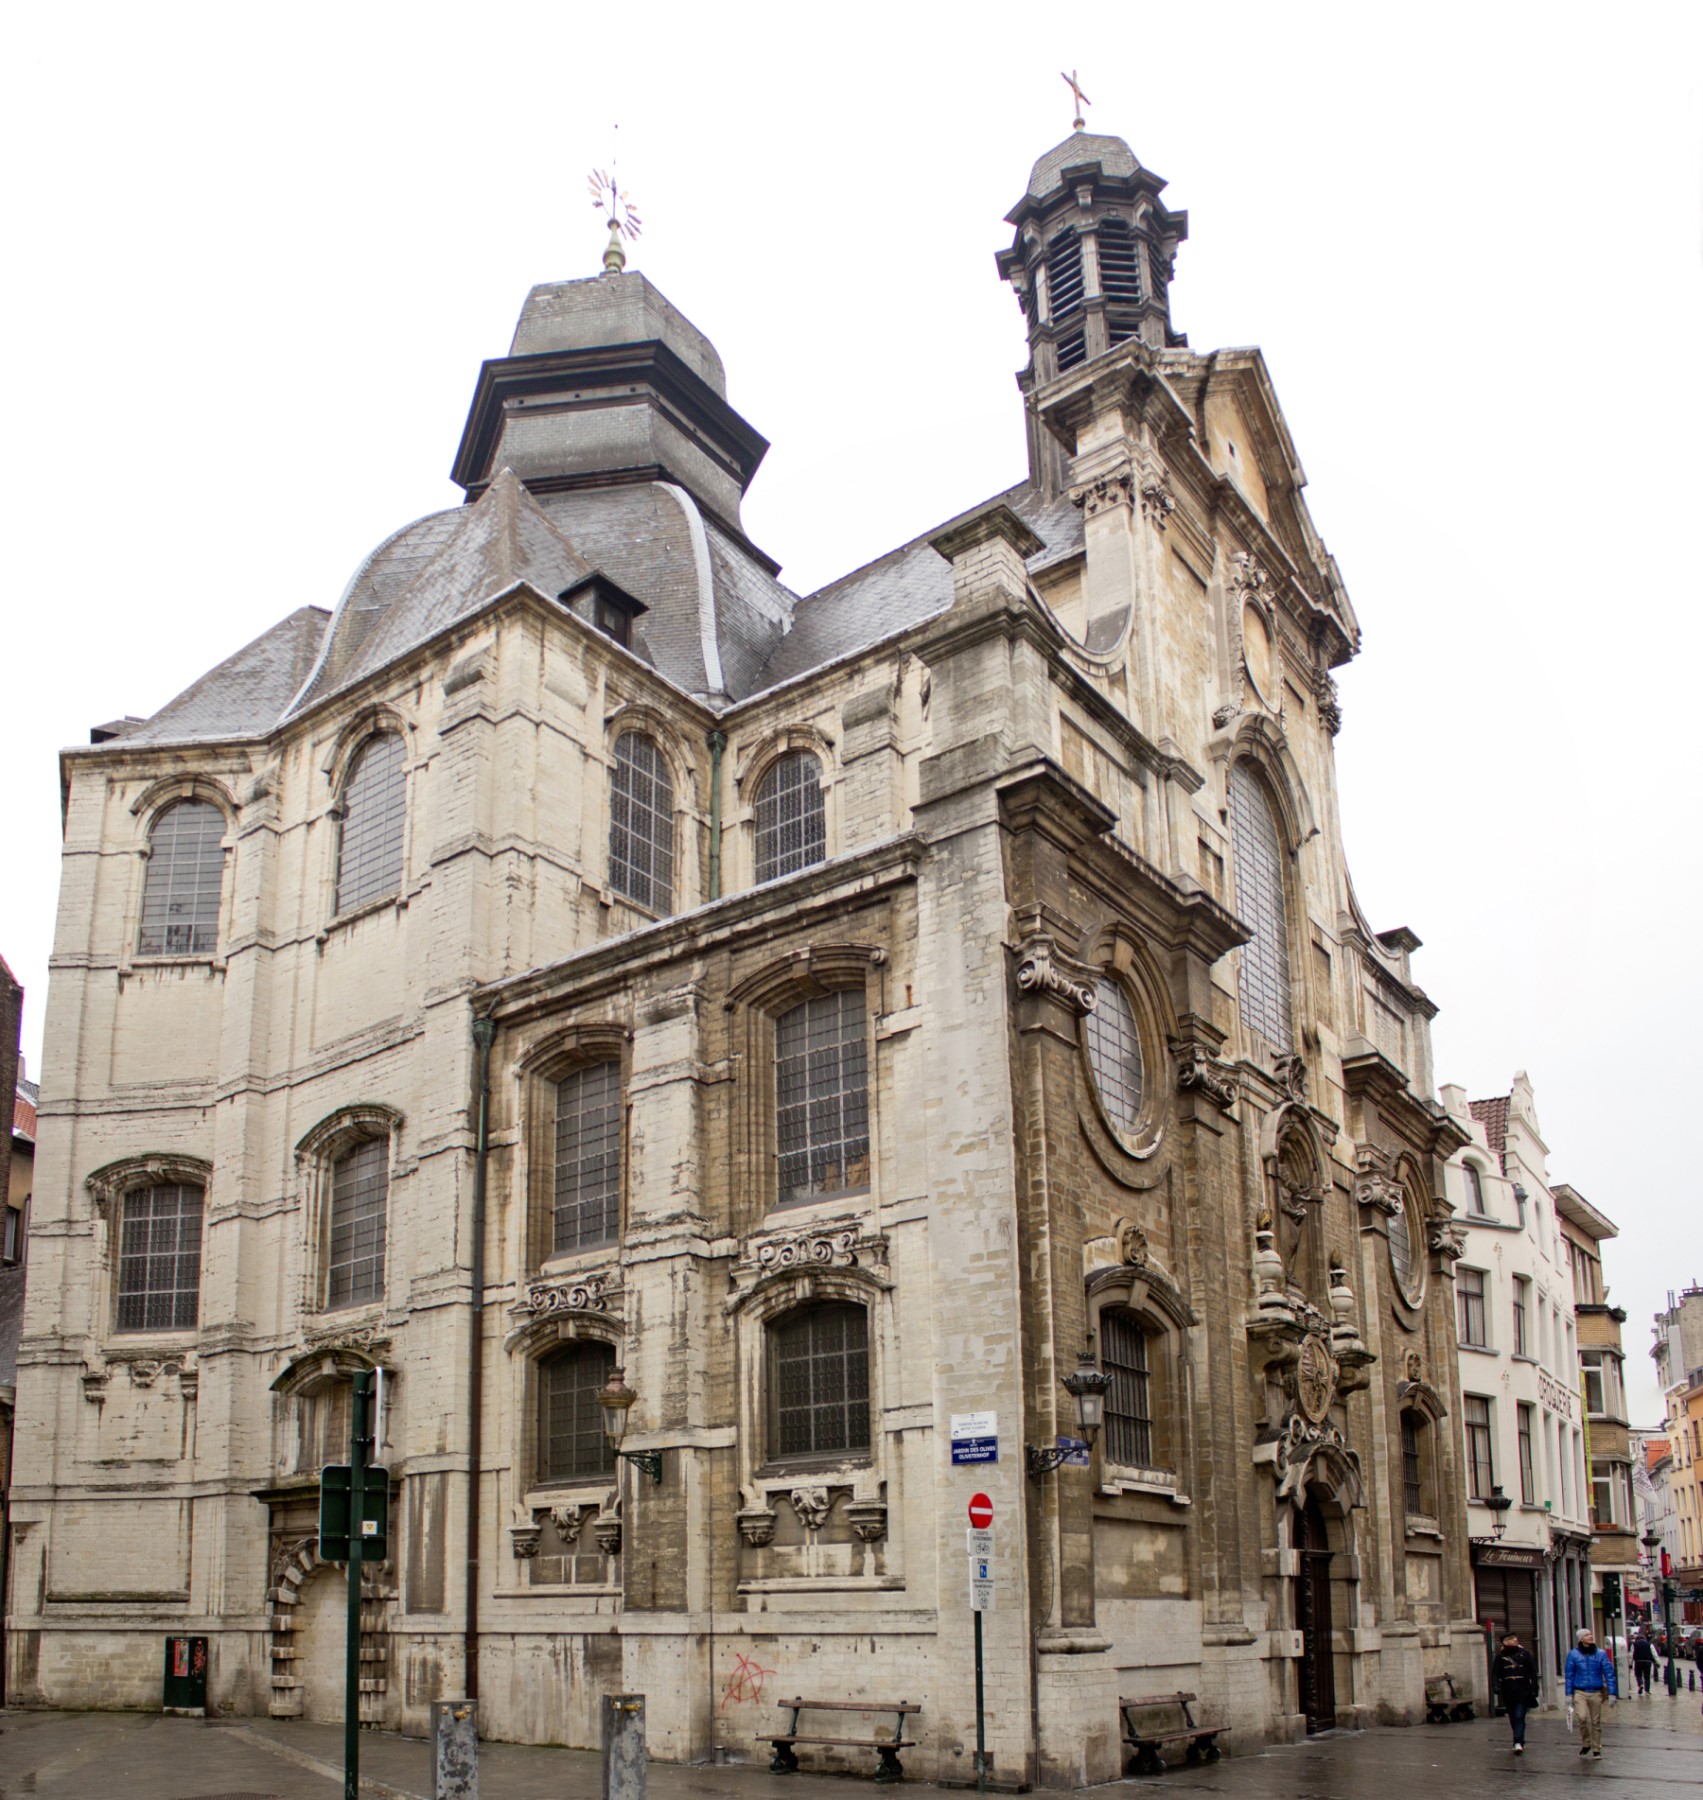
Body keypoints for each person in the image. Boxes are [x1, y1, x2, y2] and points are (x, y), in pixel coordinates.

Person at [1565, 1627, 1618, 1759]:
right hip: (1580, 1691)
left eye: (1590, 1634)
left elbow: (1609, 1674)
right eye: (1587, 1635)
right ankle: (1586, 1743)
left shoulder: (1601, 1654)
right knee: (1582, 1717)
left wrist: (1612, 1693)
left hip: (1595, 1691)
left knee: (1596, 1721)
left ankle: (1596, 1748)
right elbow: (1569, 1675)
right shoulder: (1573, 1654)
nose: (1590, 1636)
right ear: (1581, 1639)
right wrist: (1568, 1694)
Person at [1491, 1631, 1540, 1752]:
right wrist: (1496, 1685)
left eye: (1515, 1638)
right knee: (1513, 1717)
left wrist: (1534, 1689)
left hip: (1523, 1690)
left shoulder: (1525, 1654)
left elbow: (1533, 1672)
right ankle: (1519, 1740)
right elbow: (1495, 1673)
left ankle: (1518, 1742)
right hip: (1508, 1690)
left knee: (1519, 1716)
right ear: (1505, 1642)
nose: (1515, 1640)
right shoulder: (1500, 1657)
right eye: (1511, 1639)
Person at [1632, 1631, 1656, 1695]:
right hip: (1648, 1661)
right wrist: (1657, 1662)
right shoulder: (1649, 1644)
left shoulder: (1634, 1644)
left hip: (1638, 1661)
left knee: (1638, 1674)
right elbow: (1654, 1654)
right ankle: (1647, 1691)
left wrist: (1630, 1664)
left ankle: (1640, 1684)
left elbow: (1631, 1654)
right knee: (1647, 1676)